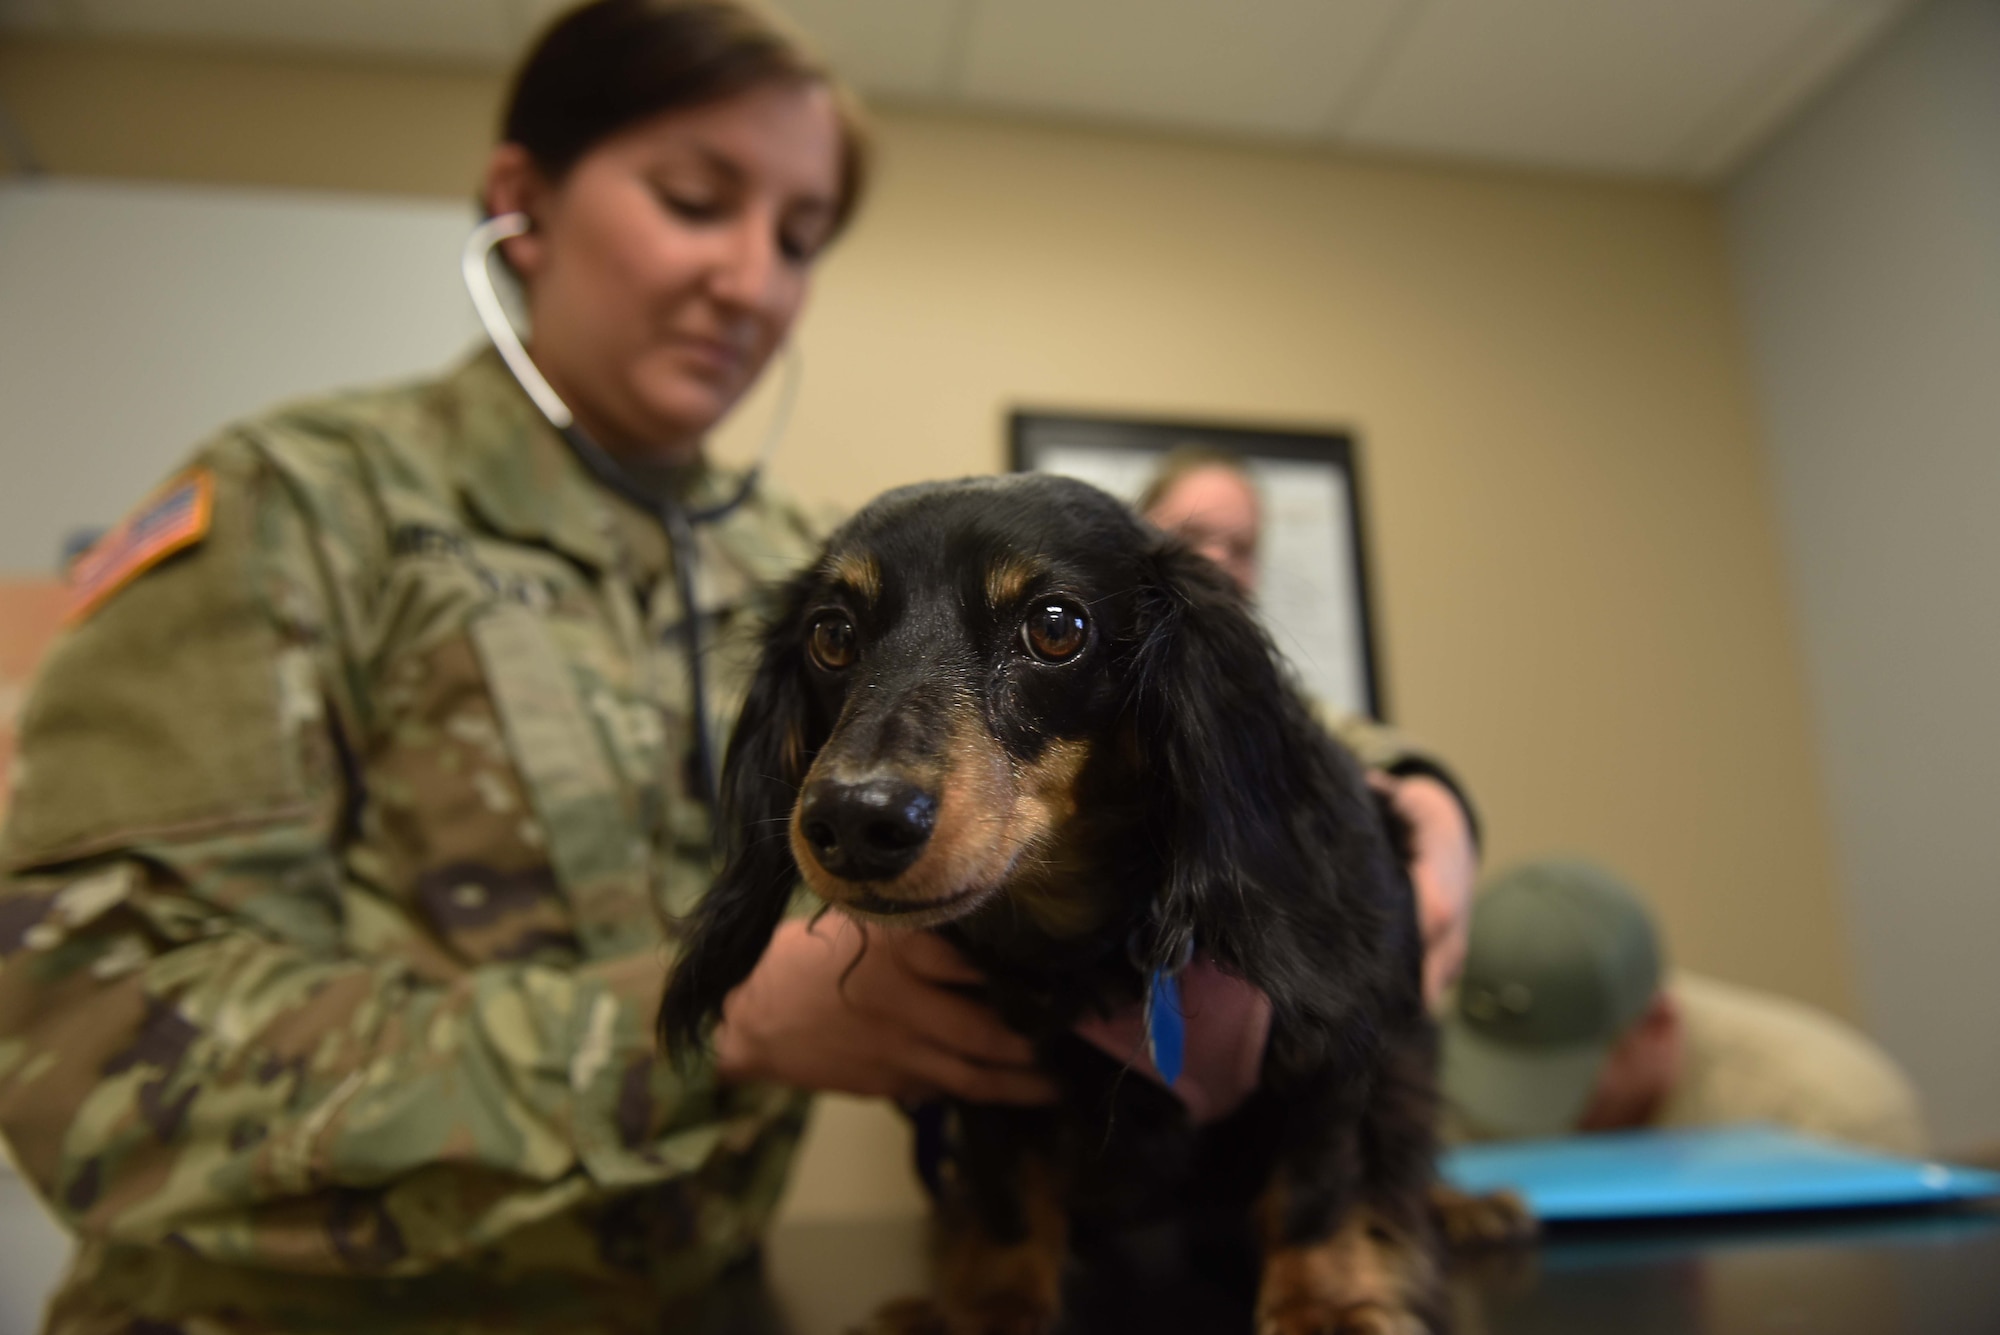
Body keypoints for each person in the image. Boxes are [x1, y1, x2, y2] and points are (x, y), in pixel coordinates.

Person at [0, 4, 1050, 1331]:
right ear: (523, 204)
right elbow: (82, 1046)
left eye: (798, 237)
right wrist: (718, 1022)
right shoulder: (304, 504)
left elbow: (1088, 663)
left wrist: (1395, 784)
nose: (752, 280)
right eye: (693, 199)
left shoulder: (802, 570)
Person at [1138, 445, 1481, 1009]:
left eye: (1242, 548)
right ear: (1138, 536)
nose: (1220, 562)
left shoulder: (1259, 697)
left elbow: (1348, 739)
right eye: (1196, 536)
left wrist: (1433, 793)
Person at [1441, 859, 1927, 1154]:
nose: (1519, 1120)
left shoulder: (1826, 1119)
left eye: (1560, 1085)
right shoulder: (1427, 1096)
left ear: (1657, 1026)